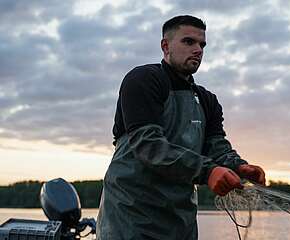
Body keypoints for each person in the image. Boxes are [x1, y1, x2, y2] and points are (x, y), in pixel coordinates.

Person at [96, 15, 266, 240]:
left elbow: (216, 147)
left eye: (202, 44)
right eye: (189, 42)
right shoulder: (143, 80)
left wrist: (239, 166)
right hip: (131, 218)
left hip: (179, 221)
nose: (198, 50)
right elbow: (149, 145)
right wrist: (208, 171)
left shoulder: (207, 100)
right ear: (165, 46)